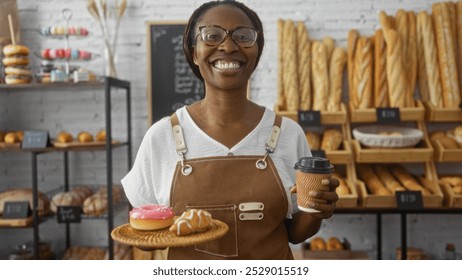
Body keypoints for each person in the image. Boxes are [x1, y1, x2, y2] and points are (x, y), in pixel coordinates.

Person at [121, 0, 339, 260]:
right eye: (212, 36)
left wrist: (317, 209)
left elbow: (295, 234)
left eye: (243, 37)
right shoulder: (162, 137)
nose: (228, 46)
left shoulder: (288, 134)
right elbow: (143, 235)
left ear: (256, 51)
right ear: (194, 52)